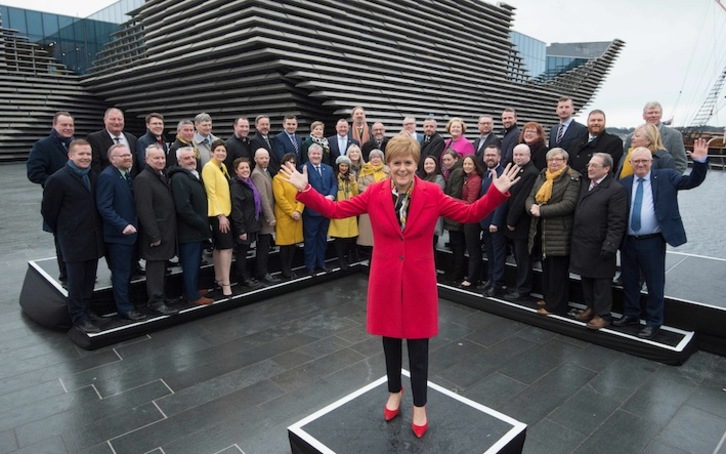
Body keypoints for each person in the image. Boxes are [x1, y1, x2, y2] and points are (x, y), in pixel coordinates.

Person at [278, 134, 519, 438]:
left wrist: (495, 193)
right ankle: (395, 391)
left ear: (416, 164)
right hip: (386, 278)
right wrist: (307, 189)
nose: (402, 168)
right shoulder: (374, 193)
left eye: (408, 163)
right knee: (390, 340)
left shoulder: (432, 193)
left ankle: (420, 404)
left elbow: (469, 213)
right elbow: (336, 211)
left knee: (419, 345)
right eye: (396, 163)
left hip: (419, 281)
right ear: (388, 165)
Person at [613, 140, 709, 339]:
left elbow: (691, 182)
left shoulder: (666, 177)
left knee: (655, 282)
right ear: (630, 163)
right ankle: (631, 314)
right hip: (628, 241)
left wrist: (700, 162)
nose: (640, 164)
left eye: (644, 161)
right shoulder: (624, 183)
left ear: (651, 162)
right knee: (630, 280)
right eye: (636, 161)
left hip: (652, 241)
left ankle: (653, 322)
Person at [41, 139, 105, 333]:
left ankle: (86, 310)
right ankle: (78, 317)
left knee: (89, 280)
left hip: (92, 238)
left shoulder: (93, 176)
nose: (85, 157)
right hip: (73, 240)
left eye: (88, 154)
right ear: (70, 155)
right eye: (81, 154)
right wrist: (65, 230)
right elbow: (49, 211)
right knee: (76, 282)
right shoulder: (58, 179)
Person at [569, 153, 627, 329]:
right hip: (582, 242)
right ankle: (590, 308)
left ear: (607, 169)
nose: (590, 168)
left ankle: (603, 315)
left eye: (595, 165)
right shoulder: (586, 185)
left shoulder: (616, 190)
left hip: (600, 244)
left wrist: (610, 245)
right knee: (586, 278)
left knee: (601, 281)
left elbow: (617, 222)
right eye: (589, 165)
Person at [525, 148, 581, 316]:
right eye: (551, 160)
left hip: (560, 232)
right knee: (547, 268)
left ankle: (556, 306)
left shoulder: (573, 178)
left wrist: (542, 211)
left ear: (565, 161)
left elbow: (568, 204)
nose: (554, 163)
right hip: (541, 230)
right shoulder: (543, 175)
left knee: (558, 271)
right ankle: (549, 298)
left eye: (558, 160)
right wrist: (532, 208)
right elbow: (530, 197)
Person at [96, 144, 146, 321]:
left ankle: (129, 302)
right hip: (119, 237)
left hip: (131, 235)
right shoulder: (108, 177)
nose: (128, 158)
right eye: (123, 156)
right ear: (112, 159)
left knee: (128, 272)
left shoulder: (126, 175)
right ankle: (124, 309)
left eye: (129, 155)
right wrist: (122, 225)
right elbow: (104, 206)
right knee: (121, 273)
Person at [27, 111, 75, 284]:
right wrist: (57, 184)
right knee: (62, 241)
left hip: (77, 201)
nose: (68, 128)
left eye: (70, 125)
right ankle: (66, 276)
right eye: (64, 125)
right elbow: (34, 173)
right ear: (54, 126)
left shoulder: (75, 145)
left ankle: (77, 272)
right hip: (58, 201)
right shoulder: (43, 145)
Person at [134, 144, 179, 316]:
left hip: (166, 231)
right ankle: (155, 301)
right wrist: (154, 235)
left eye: (162, 158)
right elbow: (144, 210)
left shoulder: (160, 175)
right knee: (155, 269)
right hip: (156, 234)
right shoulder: (143, 179)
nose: (160, 161)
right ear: (146, 159)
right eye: (156, 158)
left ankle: (162, 296)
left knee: (163, 267)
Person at [168, 147, 214, 306]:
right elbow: (183, 207)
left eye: (192, 157)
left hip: (197, 231)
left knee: (195, 263)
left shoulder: (192, 175)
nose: (190, 160)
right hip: (189, 232)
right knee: (190, 264)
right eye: (186, 158)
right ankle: (192, 296)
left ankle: (192, 289)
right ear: (179, 161)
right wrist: (201, 223)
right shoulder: (179, 178)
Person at [502, 144, 539, 301]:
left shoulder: (531, 173)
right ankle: (519, 285)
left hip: (521, 224)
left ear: (529, 156)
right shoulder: (518, 169)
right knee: (518, 257)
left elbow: (521, 199)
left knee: (523, 258)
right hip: (514, 222)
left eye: (521, 155)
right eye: (515, 154)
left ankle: (523, 289)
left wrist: (511, 221)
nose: (517, 157)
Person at [202, 139, 234, 296]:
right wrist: (221, 216)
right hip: (218, 214)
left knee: (219, 247)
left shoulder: (222, 167)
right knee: (227, 248)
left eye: (223, 151)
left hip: (226, 212)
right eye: (218, 150)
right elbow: (211, 193)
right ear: (211, 152)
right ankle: (226, 284)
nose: (221, 153)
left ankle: (220, 279)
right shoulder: (209, 168)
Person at [623, 101, 688, 173]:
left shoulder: (674, 135)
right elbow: (624, 161)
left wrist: (671, 180)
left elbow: (681, 163)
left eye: (656, 113)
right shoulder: (631, 138)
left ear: (661, 115)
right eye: (650, 113)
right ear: (644, 116)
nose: (653, 115)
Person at [301, 143, 337, 273]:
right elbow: (304, 188)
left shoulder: (329, 169)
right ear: (309, 155)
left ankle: (321, 263)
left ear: (322, 155)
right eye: (313, 154)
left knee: (322, 238)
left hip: (326, 209)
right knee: (310, 240)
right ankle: (310, 266)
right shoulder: (303, 169)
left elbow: (334, 184)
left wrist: (332, 196)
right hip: (311, 211)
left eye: (318, 154)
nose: (316, 156)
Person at [230, 157, 263, 288]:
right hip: (243, 226)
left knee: (245, 251)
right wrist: (241, 230)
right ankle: (243, 278)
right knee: (242, 253)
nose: (245, 170)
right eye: (242, 168)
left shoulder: (248, 182)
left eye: (247, 167)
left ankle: (245, 275)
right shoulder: (236, 185)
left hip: (251, 223)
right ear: (236, 170)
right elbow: (236, 209)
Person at [478, 145, 507, 296]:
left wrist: (495, 222)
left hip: (495, 224)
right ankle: (490, 279)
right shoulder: (485, 174)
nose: (490, 158)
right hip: (485, 221)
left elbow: (502, 201)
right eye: (487, 155)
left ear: (499, 157)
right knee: (489, 253)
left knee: (497, 254)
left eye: (493, 155)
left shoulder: (502, 175)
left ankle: (497, 284)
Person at [273, 153, 305, 280]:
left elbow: (303, 194)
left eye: (293, 162)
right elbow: (280, 199)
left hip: (297, 214)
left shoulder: (297, 178)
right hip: (285, 216)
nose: (291, 164)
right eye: (288, 162)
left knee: (293, 245)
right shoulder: (278, 178)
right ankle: (284, 270)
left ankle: (290, 268)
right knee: (285, 245)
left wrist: (299, 211)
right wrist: (292, 212)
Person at [250, 148, 280, 284]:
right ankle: (261, 273)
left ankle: (262, 271)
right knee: (263, 247)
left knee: (266, 245)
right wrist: (270, 217)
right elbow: (262, 198)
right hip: (264, 218)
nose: (264, 160)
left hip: (268, 216)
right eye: (261, 158)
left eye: (266, 158)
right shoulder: (257, 174)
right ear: (255, 159)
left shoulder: (265, 172)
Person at [568, 109, 623, 175]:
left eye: (599, 120)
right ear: (587, 122)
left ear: (604, 122)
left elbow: (609, 167)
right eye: (593, 120)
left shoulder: (614, 142)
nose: (596, 123)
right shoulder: (575, 142)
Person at [329, 156, 359, 269]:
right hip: (339, 210)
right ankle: (341, 260)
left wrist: (353, 182)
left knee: (349, 238)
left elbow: (356, 194)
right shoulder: (334, 177)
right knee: (339, 238)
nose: (344, 168)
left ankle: (348, 257)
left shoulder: (351, 177)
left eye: (346, 166)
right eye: (342, 165)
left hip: (350, 211)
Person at [87, 107, 138, 175]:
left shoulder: (132, 139)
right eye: (113, 119)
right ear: (105, 120)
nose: (117, 122)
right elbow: (95, 166)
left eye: (119, 119)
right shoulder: (94, 138)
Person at [356, 149, 389, 249]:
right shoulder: (364, 169)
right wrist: (372, 191)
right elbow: (359, 185)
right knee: (369, 233)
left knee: (382, 231)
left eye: (378, 157)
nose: (375, 159)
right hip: (368, 203)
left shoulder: (388, 170)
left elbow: (391, 184)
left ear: (382, 159)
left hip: (383, 204)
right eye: (373, 157)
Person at [459, 155, 484, 288]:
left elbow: (470, 202)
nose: (467, 166)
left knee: (473, 249)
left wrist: (451, 200)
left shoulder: (475, 180)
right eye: (465, 164)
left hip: (472, 218)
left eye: (469, 164)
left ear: (475, 165)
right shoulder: (468, 178)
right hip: (467, 216)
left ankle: (472, 278)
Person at [442, 149, 466, 281]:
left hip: (454, 216)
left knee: (457, 246)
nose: (446, 162)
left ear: (456, 159)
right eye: (444, 160)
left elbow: (455, 193)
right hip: (452, 216)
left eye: (448, 160)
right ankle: (456, 272)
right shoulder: (452, 171)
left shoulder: (457, 172)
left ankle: (457, 274)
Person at [421, 156, 445, 246]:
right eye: (426, 164)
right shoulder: (424, 178)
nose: (428, 165)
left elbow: (433, 195)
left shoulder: (439, 178)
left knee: (432, 246)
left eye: (431, 163)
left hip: (433, 217)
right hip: (423, 217)